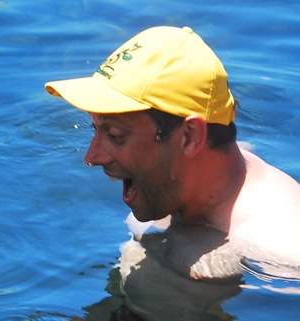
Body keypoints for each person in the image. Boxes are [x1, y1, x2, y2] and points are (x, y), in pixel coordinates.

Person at [45, 26, 300, 268]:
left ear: (190, 137)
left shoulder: (282, 251)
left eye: (115, 135)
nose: (91, 157)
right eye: (95, 129)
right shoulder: (178, 184)